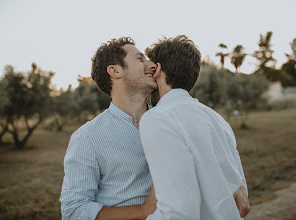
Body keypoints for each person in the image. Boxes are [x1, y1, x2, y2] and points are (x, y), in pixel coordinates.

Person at [139, 35, 250, 219]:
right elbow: (241, 199)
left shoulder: (158, 118)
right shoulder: (217, 119)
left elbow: (178, 212)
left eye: (150, 70)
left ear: (157, 70)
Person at [60, 37, 158, 220]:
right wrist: (143, 211)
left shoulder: (171, 122)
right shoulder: (87, 137)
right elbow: (74, 211)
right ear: (115, 71)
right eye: (140, 59)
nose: (151, 64)